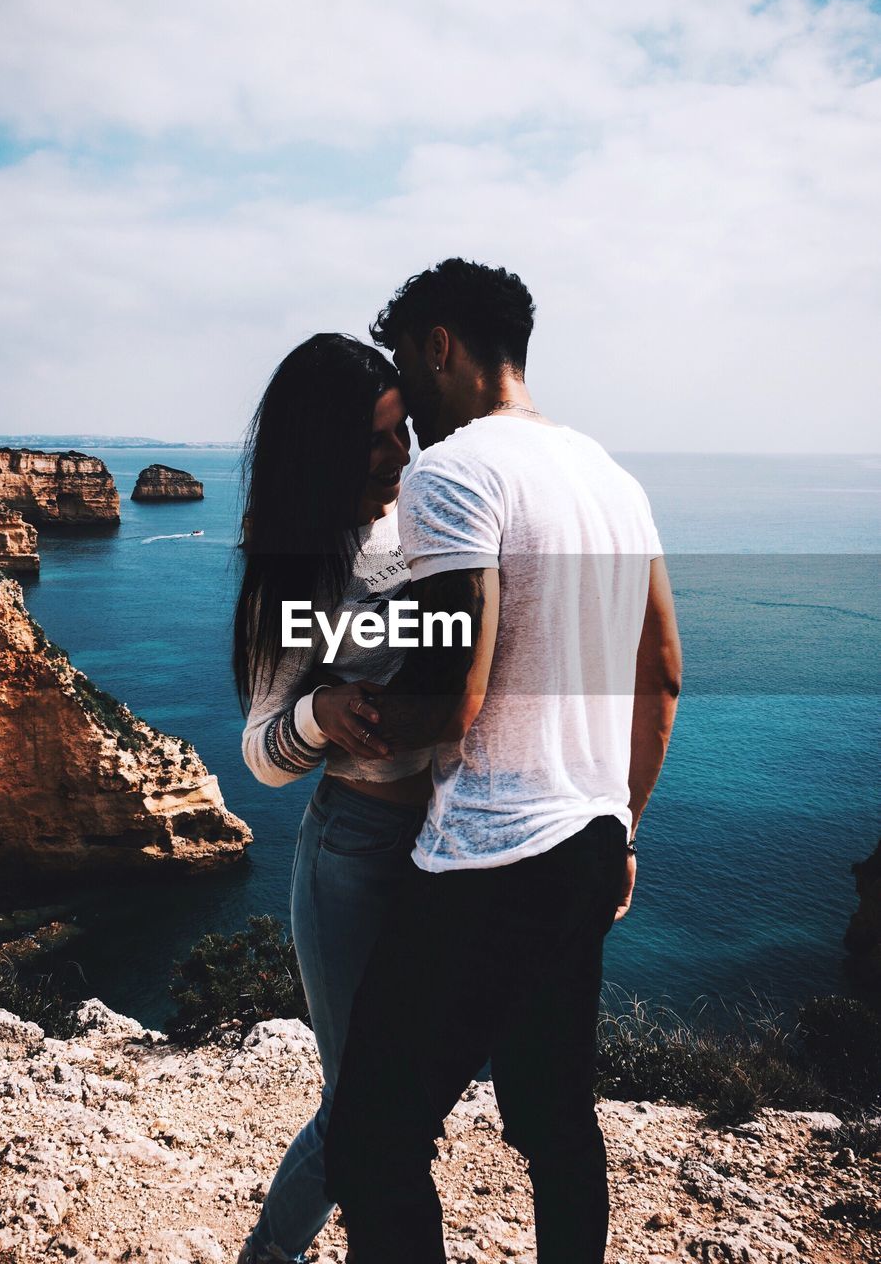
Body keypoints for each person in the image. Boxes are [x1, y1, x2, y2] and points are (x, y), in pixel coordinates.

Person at [323, 259, 683, 1263]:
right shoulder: (611, 477)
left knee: (373, 1135)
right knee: (553, 1119)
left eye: (405, 360)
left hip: (489, 858)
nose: (405, 408)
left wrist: (343, 713)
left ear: (439, 346)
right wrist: (624, 832)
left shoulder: (452, 471)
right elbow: (661, 673)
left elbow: (457, 687)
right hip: (587, 841)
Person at [232, 333, 434, 1264]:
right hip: (350, 853)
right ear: (322, 449)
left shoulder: (427, 520)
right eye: (376, 440)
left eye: (403, 432)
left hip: (449, 846)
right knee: (358, 1107)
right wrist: (321, 711)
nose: (400, 456)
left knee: (407, 1100)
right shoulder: (302, 567)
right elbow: (260, 757)